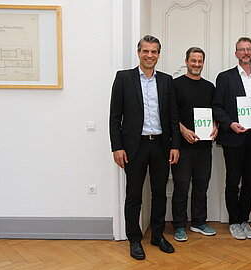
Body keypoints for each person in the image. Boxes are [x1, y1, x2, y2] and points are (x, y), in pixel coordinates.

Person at [109, 35, 180, 260]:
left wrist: (175, 145)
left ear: (159, 54)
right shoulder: (123, 78)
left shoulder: (167, 81)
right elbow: (114, 117)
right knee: (133, 195)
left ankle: (157, 235)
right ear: (138, 52)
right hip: (134, 146)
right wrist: (117, 147)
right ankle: (134, 239)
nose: (150, 55)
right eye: (146, 51)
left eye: (154, 52)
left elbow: (173, 116)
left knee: (159, 193)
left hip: (160, 145)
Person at [212, 37, 251, 240]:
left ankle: (245, 220)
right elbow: (217, 107)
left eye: (249, 49)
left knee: (250, 182)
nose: (245, 53)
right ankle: (234, 221)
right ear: (236, 53)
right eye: (241, 50)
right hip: (234, 137)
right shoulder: (225, 77)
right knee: (232, 181)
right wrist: (229, 124)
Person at [171, 47, 217, 242]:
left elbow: (216, 112)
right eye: (193, 61)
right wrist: (183, 130)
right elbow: (170, 115)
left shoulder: (210, 87)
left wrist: (216, 127)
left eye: (200, 61)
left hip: (204, 146)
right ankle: (179, 225)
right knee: (181, 186)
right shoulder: (175, 85)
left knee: (201, 185)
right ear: (186, 61)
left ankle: (199, 222)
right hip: (181, 146)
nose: (196, 64)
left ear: (203, 63)